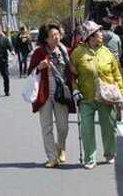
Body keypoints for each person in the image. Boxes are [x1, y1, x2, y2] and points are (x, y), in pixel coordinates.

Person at [71, 20, 123, 170]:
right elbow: (72, 75)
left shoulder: (107, 52)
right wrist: (75, 89)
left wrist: (120, 94)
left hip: (106, 97)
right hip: (86, 96)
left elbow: (116, 74)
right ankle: (89, 158)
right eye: (98, 32)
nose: (102, 34)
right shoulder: (77, 54)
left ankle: (109, 153)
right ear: (90, 36)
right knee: (87, 128)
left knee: (108, 126)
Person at [27, 22, 77, 168]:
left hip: (62, 94)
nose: (56, 38)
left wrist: (74, 70)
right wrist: (38, 67)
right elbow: (30, 71)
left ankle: (61, 147)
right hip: (44, 94)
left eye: (58, 35)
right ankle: (51, 157)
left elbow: (74, 71)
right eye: (52, 36)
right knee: (46, 127)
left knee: (63, 127)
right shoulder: (39, 53)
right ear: (46, 39)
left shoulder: (67, 51)